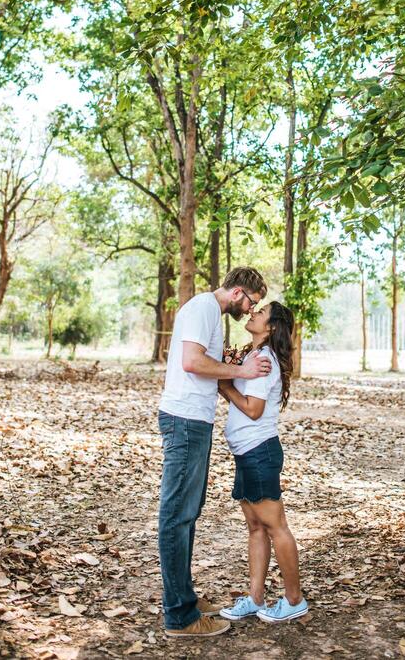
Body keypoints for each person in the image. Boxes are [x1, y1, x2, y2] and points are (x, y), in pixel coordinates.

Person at [158, 267, 270, 639]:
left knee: (188, 513)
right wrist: (242, 369)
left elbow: (206, 365)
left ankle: (185, 599)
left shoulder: (212, 313)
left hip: (196, 421)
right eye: (252, 302)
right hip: (184, 420)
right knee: (177, 515)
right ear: (238, 292)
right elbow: (193, 362)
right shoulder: (205, 307)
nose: (250, 310)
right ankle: (179, 616)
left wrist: (236, 367)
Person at [218, 301, 308, 624]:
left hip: (259, 453)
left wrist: (225, 386)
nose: (253, 313)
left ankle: (294, 599)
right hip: (247, 453)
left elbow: (253, 409)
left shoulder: (263, 359)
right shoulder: (251, 357)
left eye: (261, 313)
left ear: (270, 328)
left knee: (275, 526)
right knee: (256, 527)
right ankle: (255, 598)